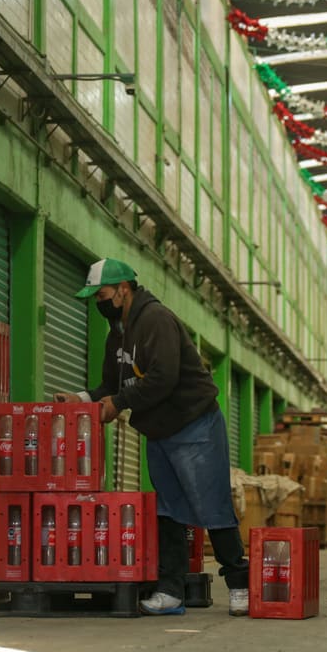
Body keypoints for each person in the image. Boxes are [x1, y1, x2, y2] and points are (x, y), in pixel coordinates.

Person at [54, 258, 250, 617]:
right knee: (168, 512)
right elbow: (111, 385)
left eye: (102, 294)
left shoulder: (156, 320)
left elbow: (163, 378)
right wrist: (82, 399)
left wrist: (119, 403)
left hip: (194, 425)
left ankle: (240, 584)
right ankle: (171, 592)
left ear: (123, 290)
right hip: (159, 432)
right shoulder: (117, 333)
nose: (98, 302)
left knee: (213, 507)